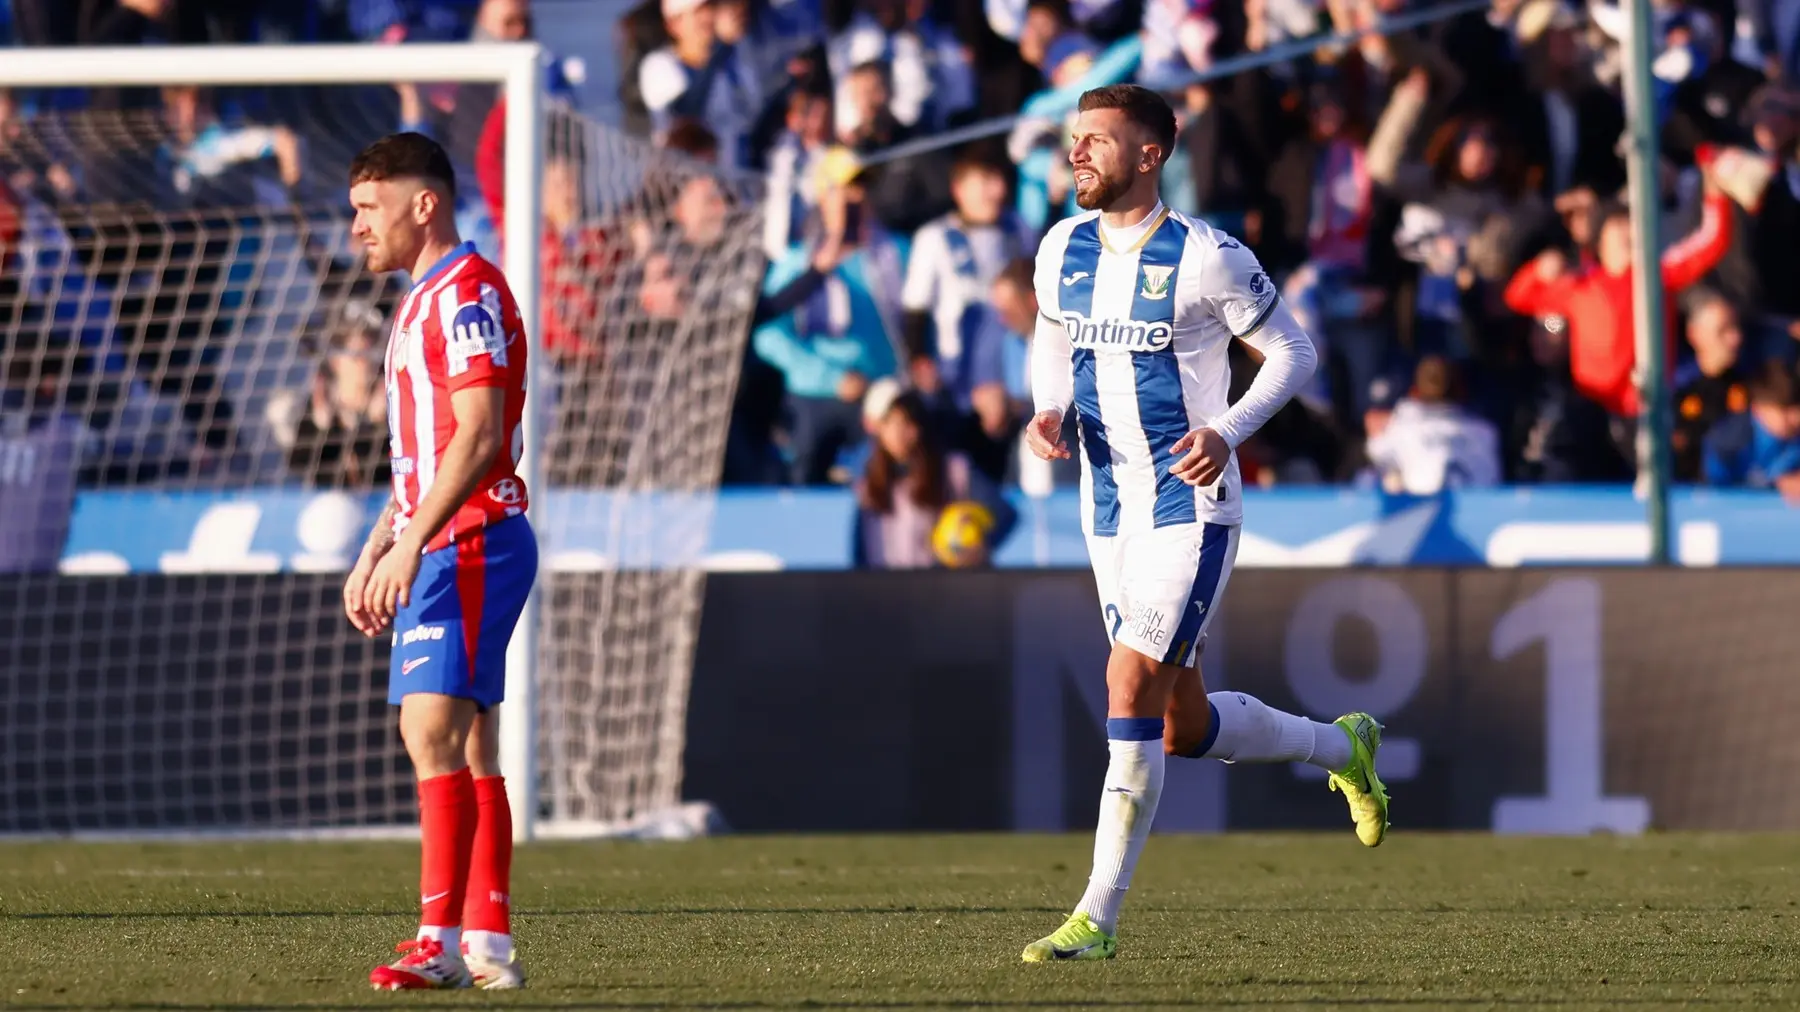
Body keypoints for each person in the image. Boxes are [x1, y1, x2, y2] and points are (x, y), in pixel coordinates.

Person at [1018, 85, 1387, 964]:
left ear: (1151, 155)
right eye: (1075, 141)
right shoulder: (1061, 248)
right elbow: (1051, 334)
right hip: (1107, 510)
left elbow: (1293, 352)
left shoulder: (1207, 256)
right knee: (1179, 728)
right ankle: (1343, 745)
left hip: (1191, 510)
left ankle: (1096, 917)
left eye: (1097, 142)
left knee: (1125, 685)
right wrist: (1050, 407)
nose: (1078, 156)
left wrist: (1225, 432)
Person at [341, 133, 536, 991]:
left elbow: (483, 434)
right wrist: (377, 543)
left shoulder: (465, 295)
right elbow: (427, 452)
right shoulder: (424, 299)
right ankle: (485, 941)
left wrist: (415, 539)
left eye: (368, 209)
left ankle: (438, 942)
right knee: (475, 744)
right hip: (448, 536)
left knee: (429, 731)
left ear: (424, 204)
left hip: (471, 539)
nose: (357, 229)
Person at [851, 387, 1017, 569]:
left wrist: (979, 546)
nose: (898, 433)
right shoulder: (868, 486)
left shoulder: (953, 471)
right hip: (886, 590)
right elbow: (861, 554)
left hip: (938, 587)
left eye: (907, 423)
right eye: (889, 422)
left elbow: (1004, 513)